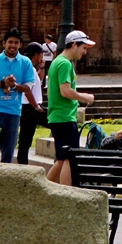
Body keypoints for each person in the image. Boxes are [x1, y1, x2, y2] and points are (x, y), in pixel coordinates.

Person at [0, 29, 38, 162]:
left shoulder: (25, 62)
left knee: (9, 149)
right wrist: (2, 83)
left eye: (16, 42)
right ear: (4, 43)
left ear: (20, 45)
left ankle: (5, 174)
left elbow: (28, 87)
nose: (13, 45)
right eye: (10, 42)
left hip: (13, 111)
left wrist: (14, 86)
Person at [45, 30, 96, 185]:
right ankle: (67, 193)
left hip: (58, 117)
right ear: (74, 44)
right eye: (83, 48)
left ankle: (45, 189)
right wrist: (85, 97)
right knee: (69, 157)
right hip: (64, 117)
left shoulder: (57, 61)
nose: (84, 52)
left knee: (61, 158)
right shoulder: (65, 64)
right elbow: (65, 91)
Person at [16, 48, 46, 164]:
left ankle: (22, 163)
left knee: (25, 138)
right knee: (25, 139)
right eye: (41, 54)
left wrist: (42, 68)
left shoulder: (31, 69)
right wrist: (36, 107)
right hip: (30, 107)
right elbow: (28, 91)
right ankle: (22, 164)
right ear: (36, 55)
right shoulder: (29, 68)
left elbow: (38, 79)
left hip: (31, 106)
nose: (42, 57)